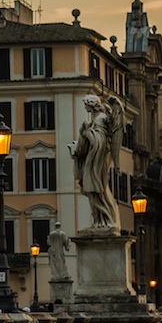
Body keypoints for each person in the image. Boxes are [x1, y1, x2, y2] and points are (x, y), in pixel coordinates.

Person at [70, 95, 123, 233]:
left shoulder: (100, 118)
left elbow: (99, 141)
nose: (84, 107)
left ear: (91, 104)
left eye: (85, 104)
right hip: (93, 158)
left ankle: (104, 220)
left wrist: (86, 133)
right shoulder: (96, 118)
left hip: (97, 160)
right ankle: (100, 220)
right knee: (94, 190)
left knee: (95, 188)